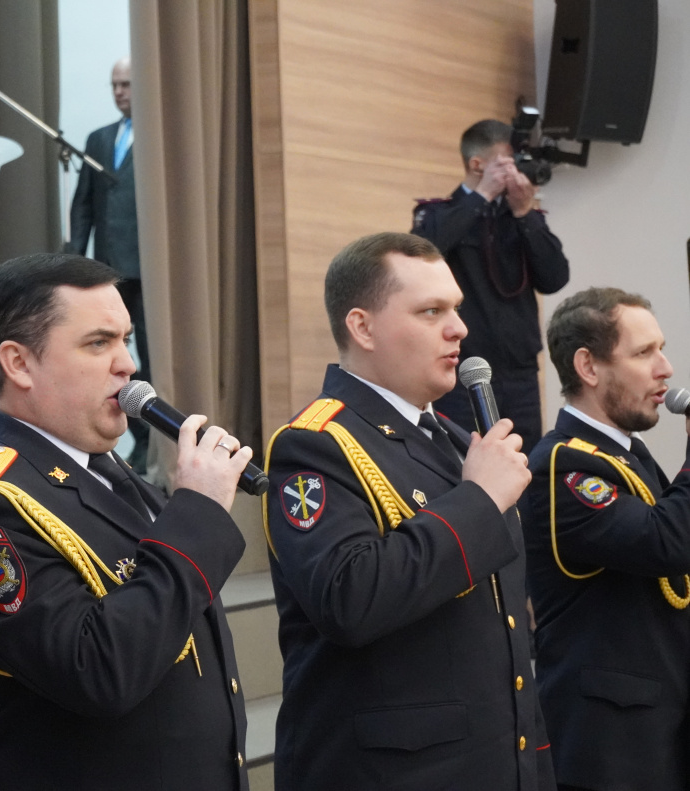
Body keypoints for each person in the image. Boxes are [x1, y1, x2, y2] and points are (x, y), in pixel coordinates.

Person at [0, 253, 252, 790]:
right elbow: (98, 671)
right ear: (19, 364)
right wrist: (196, 512)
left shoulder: (117, 476)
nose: (127, 364)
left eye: (126, 340)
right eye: (99, 343)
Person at [263, 232, 554, 789]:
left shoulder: (454, 439)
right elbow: (350, 598)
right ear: (362, 327)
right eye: (431, 311)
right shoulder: (315, 443)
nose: (459, 328)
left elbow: (506, 634)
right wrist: (480, 500)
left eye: (457, 309)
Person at [521, 287, 690, 791]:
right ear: (588, 367)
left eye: (661, 350)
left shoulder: (625, 455)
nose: (665, 369)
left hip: (657, 734)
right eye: (643, 353)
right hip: (609, 752)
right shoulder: (562, 465)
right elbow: (666, 543)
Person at [412, 119, 569, 453]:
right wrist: (482, 196)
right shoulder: (437, 214)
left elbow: (555, 278)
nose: (516, 171)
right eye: (507, 162)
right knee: (465, 458)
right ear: (477, 164)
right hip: (462, 369)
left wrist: (525, 212)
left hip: (520, 373)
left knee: (524, 461)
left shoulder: (520, 216)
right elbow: (421, 256)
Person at [65, 56, 150, 470]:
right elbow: (83, 205)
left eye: (127, 84)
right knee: (107, 358)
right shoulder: (98, 139)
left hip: (148, 270)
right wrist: (72, 261)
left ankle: (151, 443)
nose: (119, 92)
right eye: (114, 85)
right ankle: (130, 440)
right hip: (108, 272)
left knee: (146, 358)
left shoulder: (158, 135)